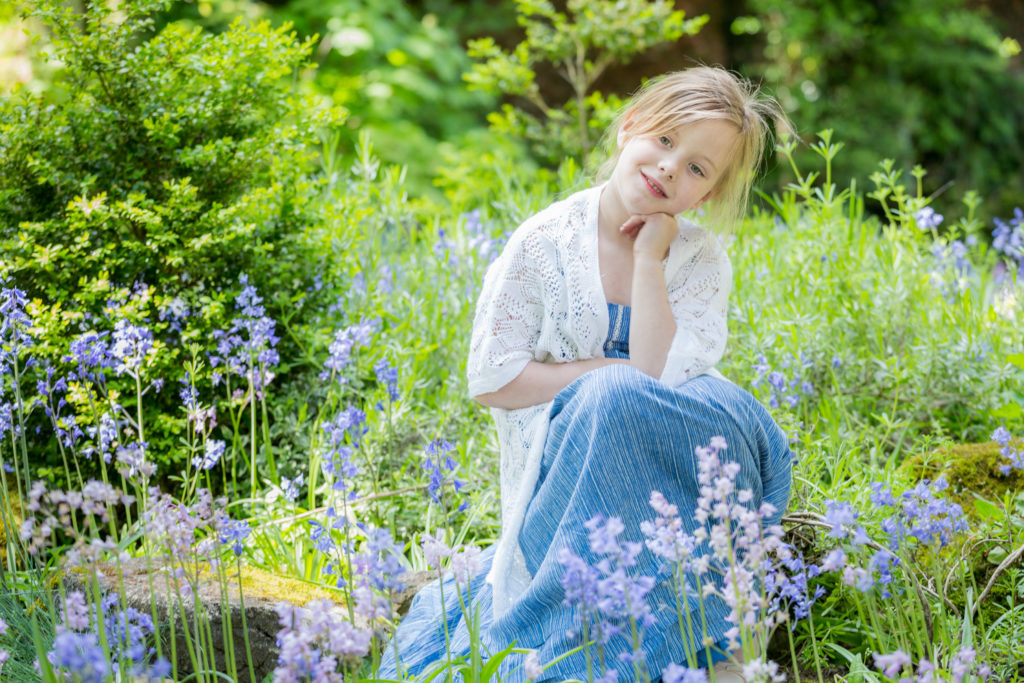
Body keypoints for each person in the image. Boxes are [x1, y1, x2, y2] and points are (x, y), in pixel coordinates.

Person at [381, 66, 794, 682]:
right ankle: (594, 651)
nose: (670, 169)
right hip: (566, 475)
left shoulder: (701, 258)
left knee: (723, 407)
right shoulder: (545, 242)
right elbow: (493, 379)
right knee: (612, 395)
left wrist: (650, 260)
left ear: (703, 196)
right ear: (630, 128)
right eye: (664, 141)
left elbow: (662, 375)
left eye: (698, 170)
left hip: (660, 465)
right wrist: (600, 376)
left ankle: (706, 631)